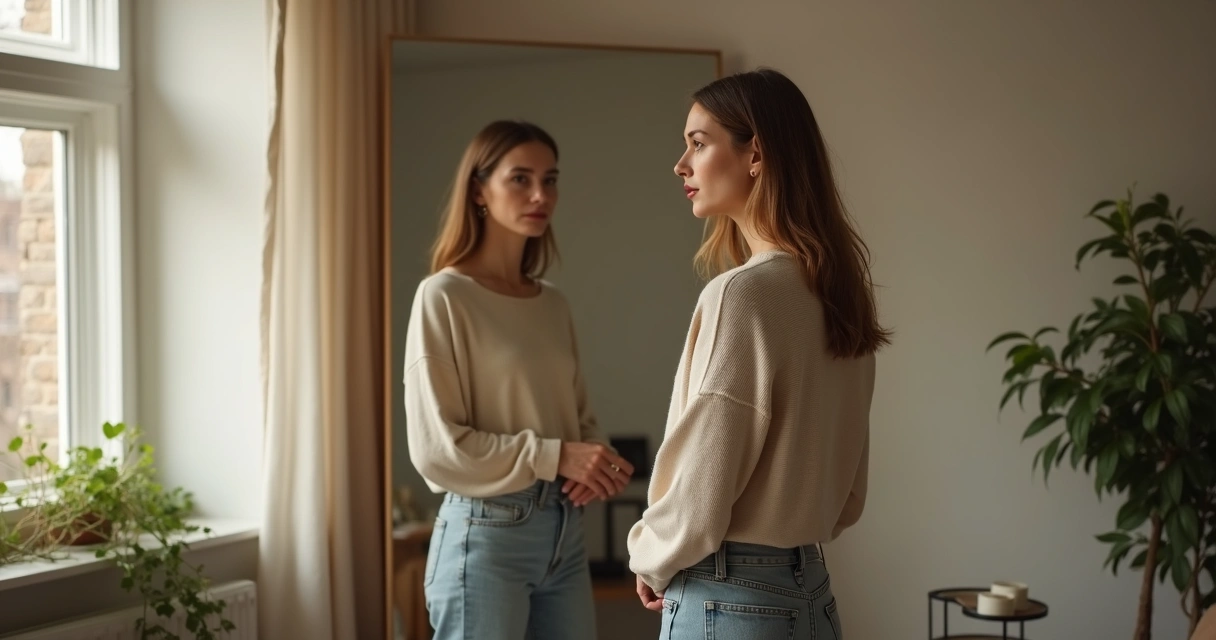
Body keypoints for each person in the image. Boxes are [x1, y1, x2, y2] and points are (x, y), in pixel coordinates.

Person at [626, 69, 888, 639]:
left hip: (730, 598)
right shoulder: (840, 295)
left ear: (756, 154)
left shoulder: (742, 293)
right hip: (813, 594)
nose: (681, 165)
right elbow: (849, 495)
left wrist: (651, 555)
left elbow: (706, 471)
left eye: (699, 143)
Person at [404, 120, 635, 640]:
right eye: (520, 179)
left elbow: (581, 420)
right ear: (479, 190)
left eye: (550, 180)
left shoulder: (552, 304)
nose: (540, 195)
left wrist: (595, 462)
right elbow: (438, 450)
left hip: (565, 534)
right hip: (486, 535)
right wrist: (557, 456)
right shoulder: (444, 296)